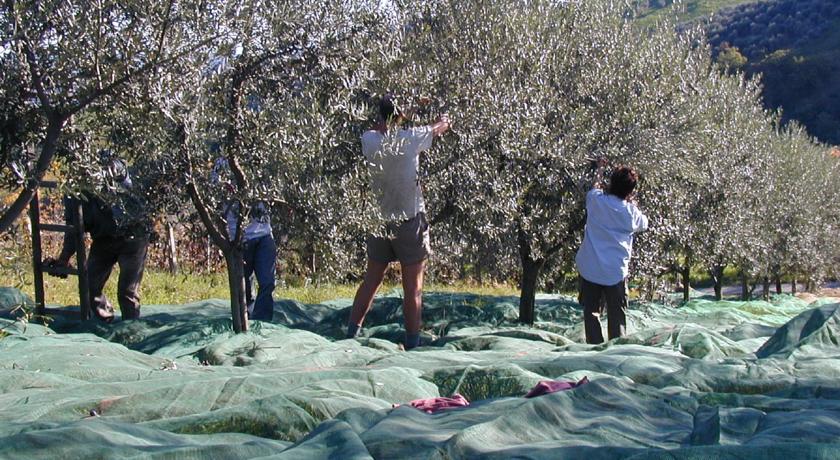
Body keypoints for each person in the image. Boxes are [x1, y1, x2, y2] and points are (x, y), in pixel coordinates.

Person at [346, 94, 450, 349]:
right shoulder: (410, 138)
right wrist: (445, 119)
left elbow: (392, 121)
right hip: (409, 220)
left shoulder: (368, 140)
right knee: (412, 288)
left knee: (371, 280)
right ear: (400, 115)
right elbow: (439, 129)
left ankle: (350, 335)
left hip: (380, 221)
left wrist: (412, 106)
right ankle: (412, 344)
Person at [45, 151, 152, 322]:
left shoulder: (111, 168)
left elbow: (120, 169)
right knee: (89, 287)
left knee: (127, 292)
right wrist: (64, 259)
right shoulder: (72, 191)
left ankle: (131, 330)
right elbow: (73, 227)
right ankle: (105, 322)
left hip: (133, 239)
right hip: (103, 240)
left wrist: (103, 172)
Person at [575, 158, 648, 344]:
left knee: (591, 314)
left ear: (611, 183)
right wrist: (632, 203)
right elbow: (644, 224)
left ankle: (594, 348)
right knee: (617, 316)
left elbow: (594, 187)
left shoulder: (596, 201)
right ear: (630, 190)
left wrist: (599, 168)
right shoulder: (630, 213)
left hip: (591, 268)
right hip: (615, 271)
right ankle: (616, 350)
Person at [211, 158, 276, 321]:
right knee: (244, 287)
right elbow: (213, 195)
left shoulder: (259, 158)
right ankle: (246, 321)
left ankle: (263, 322)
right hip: (240, 238)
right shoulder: (221, 166)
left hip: (264, 235)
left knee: (267, 282)